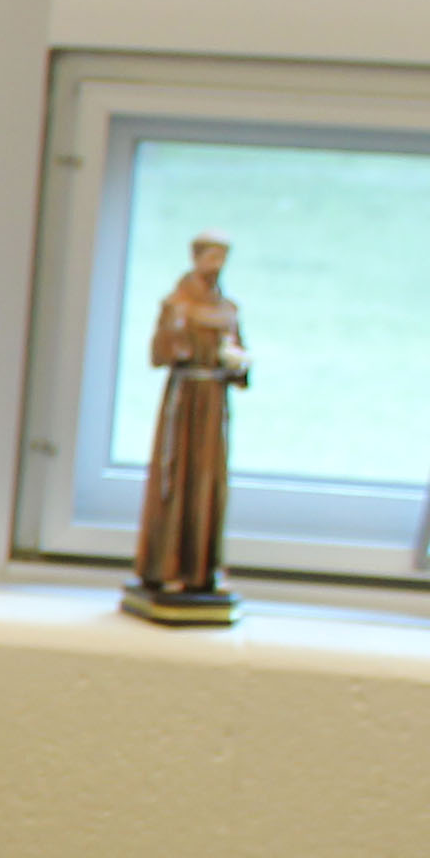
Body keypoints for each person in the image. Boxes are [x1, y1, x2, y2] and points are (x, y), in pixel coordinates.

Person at [127, 231, 246, 624]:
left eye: (221, 259)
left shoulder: (228, 308)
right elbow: (159, 353)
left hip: (213, 402)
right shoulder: (176, 304)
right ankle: (167, 566)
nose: (216, 265)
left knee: (209, 480)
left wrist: (237, 364)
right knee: (176, 477)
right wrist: (176, 336)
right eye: (211, 257)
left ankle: (202, 570)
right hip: (185, 403)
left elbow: (239, 355)